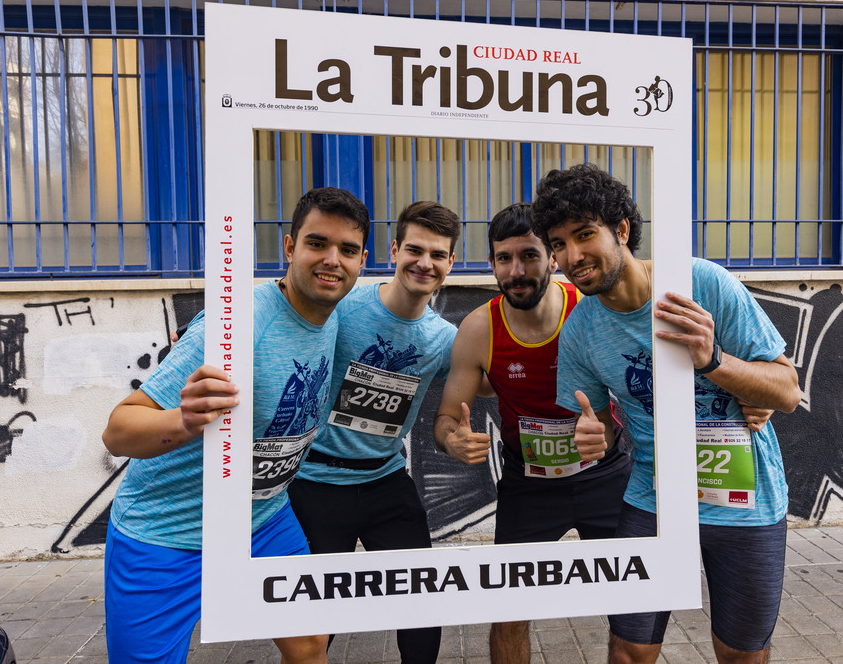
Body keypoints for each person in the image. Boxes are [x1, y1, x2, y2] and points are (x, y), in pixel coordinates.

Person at [531, 164, 802, 664]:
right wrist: (595, 438)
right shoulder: (581, 330)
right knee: (628, 651)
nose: (572, 256)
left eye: (585, 235)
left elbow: (786, 390)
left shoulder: (699, 282)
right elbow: (599, 430)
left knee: (741, 654)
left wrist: (715, 361)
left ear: (623, 231)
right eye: (559, 244)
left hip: (747, 503)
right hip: (651, 500)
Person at [101, 187, 370, 664]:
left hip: (264, 522)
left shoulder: (337, 315)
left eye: (347, 250)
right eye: (317, 244)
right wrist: (184, 421)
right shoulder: (235, 325)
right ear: (289, 248)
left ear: (362, 260)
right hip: (164, 533)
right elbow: (119, 430)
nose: (332, 260)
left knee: (310, 646)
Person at [433, 202, 633, 664]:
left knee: (631, 610)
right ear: (491, 264)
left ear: (554, 259)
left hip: (605, 475)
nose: (517, 270)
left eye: (530, 255)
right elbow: (445, 417)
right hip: (530, 485)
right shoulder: (480, 328)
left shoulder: (590, 310)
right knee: (508, 612)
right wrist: (453, 439)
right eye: (504, 258)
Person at [287, 201, 460, 664]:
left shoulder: (444, 338)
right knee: (316, 625)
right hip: (315, 485)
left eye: (438, 254)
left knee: (423, 604)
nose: (425, 262)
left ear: (450, 263)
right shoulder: (343, 305)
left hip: (386, 482)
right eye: (415, 250)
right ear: (392, 251)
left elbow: (483, 375)